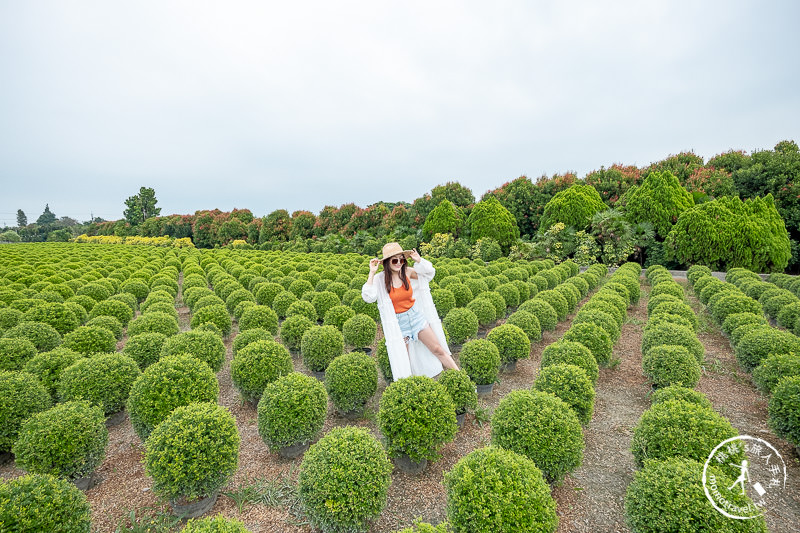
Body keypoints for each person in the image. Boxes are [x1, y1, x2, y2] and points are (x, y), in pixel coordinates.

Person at [362, 242, 459, 380]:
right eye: (395, 260)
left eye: (402, 259)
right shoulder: (380, 279)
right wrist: (372, 272)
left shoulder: (407, 272)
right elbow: (368, 296)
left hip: (416, 318)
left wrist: (419, 261)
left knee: (438, 349)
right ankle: (409, 393)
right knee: (404, 362)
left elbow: (429, 275)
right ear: (387, 262)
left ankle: (462, 378)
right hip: (399, 325)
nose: (399, 263)